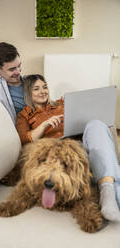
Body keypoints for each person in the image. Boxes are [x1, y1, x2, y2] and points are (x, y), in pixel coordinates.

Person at [16, 74, 120, 222]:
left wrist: (78, 103)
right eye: (36, 89)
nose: (43, 91)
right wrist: (44, 125)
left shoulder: (61, 104)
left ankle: (107, 190)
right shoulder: (24, 115)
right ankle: (111, 193)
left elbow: (85, 115)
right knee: (100, 158)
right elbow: (24, 139)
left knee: (96, 125)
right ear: (28, 92)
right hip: (58, 155)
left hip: (80, 142)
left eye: (45, 87)